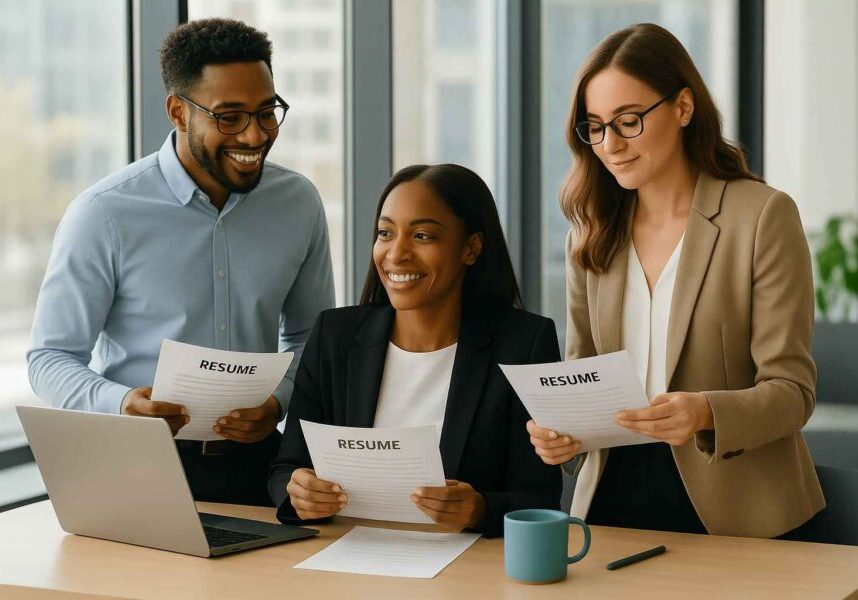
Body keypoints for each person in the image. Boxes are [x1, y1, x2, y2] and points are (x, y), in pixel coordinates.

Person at [527, 23, 824, 538]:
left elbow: (793, 393)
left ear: (683, 108)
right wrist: (564, 434)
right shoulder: (594, 231)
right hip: (610, 501)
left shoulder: (762, 217)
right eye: (594, 127)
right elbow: (582, 377)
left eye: (628, 120)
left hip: (734, 509)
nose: (609, 144)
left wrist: (706, 411)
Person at [27, 19, 335, 506]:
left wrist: (279, 400)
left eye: (266, 112)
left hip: (260, 465)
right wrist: (124, 403)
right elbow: (50, 359)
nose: (255, 136)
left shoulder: (298, 202)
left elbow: (310, 340)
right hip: (134, 466)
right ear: (178, 111)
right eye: (229, 116)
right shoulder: (104, 212)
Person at [268, 164, 561, 537]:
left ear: (471, 248)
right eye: (385, 233)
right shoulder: (335, 335)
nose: (397, 253)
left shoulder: (524, 343)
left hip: (469, 570)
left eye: (422, 235)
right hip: (344, 556)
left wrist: (480, 509)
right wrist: (297, 491)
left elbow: (541, 497)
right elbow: (286, 468)